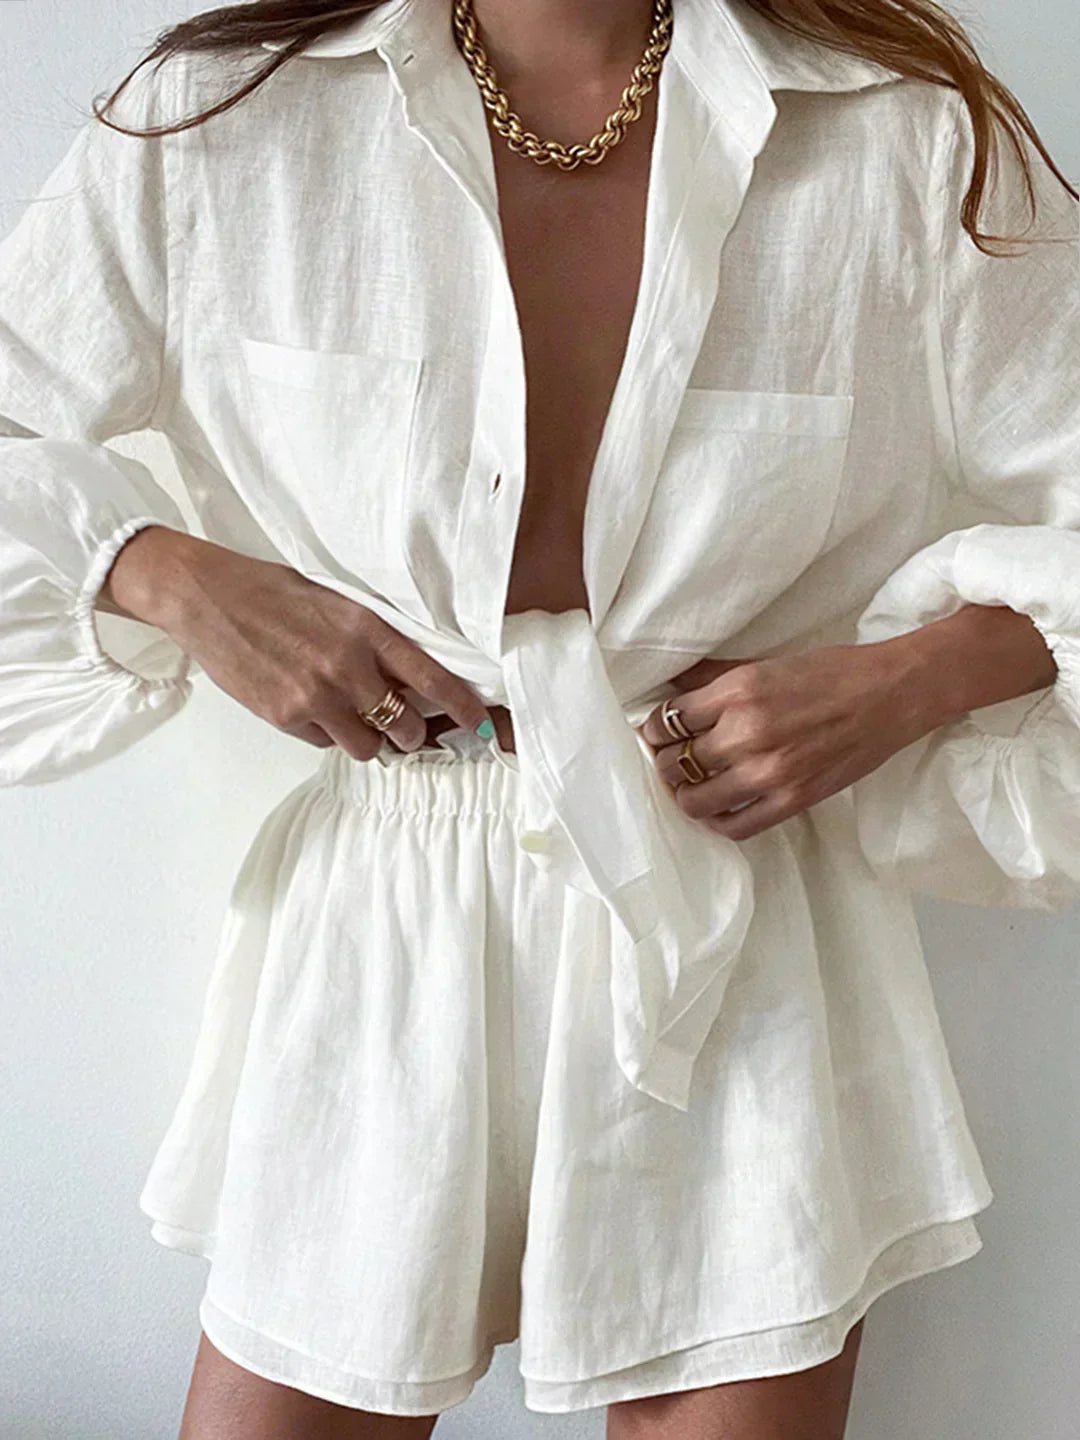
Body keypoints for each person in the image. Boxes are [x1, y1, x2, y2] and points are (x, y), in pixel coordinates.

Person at [1, 0, 1077, 1434]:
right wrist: (169, 575)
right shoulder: (224, 117)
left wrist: (911, 678)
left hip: (735, 909)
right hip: (382, 922)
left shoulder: (904, 132)